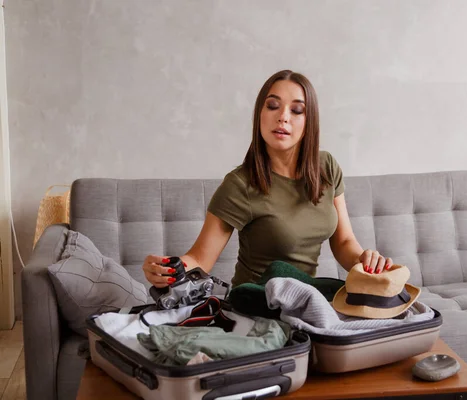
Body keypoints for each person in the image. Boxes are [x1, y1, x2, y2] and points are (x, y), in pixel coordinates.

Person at [142, 70, 393, 289]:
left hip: (305, 302)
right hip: (257, 304)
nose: (283, 116)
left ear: (309, 122)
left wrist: (365, 260)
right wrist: (166, 270)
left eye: (297, 110)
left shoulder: (326, 166)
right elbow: (199, 259)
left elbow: (344, 242)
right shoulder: (240, 184)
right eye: (273, 106)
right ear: (259, 114)